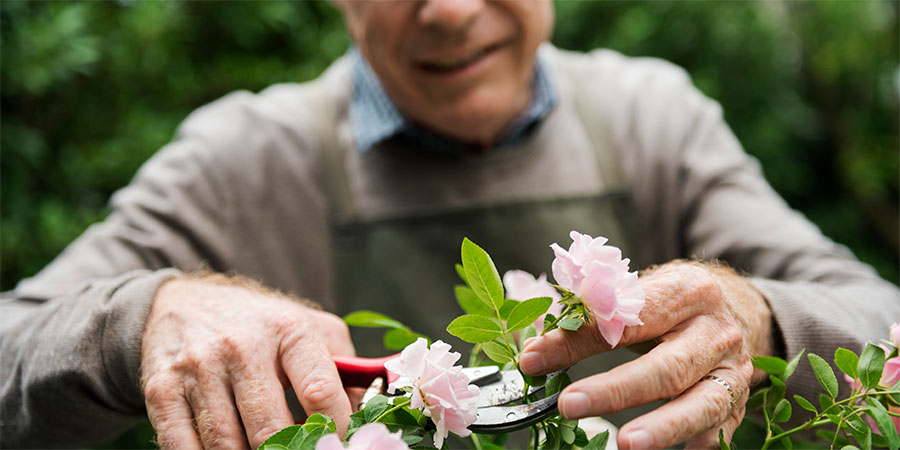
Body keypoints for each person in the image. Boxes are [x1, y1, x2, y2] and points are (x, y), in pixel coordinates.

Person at [1, 1, 897, 449]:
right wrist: (140, 321)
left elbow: (880, 317)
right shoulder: (240, 163)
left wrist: (760, 319)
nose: (452, 12)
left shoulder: (652, 122)